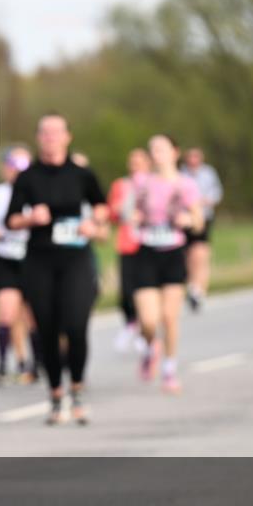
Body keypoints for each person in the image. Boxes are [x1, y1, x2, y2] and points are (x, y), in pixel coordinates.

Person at [6, 114, 109, 425]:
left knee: (76, 325)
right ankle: (54, 393)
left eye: (56, 133)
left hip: (75, 257)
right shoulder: (27, 178)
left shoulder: (82, 174)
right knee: (47, 329)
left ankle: (76, 388)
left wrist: (94, 223)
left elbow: (102, 206)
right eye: (45, 133)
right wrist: (29, 219)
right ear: (39, 138)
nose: (50, 138)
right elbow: (10, 220)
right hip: (39, 259)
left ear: (67, 137)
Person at [131, 135, 204, 394]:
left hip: (173, 253)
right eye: (153, 150)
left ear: (175, 152)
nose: (156, 154)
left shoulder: (186, 184)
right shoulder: (143, 183)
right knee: (149, 321)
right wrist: (135, 216)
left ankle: (169, 370)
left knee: (169, 318)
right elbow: (130, 213)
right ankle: (150, 349)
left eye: (161, 149)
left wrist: (188, 220)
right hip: (147, 253)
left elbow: (199, 221)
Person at [0, 146, 38, 385]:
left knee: (31, 316)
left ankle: (34, 363)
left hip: (31, 257)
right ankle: (4, 364)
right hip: (5, 257)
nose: (15, 172)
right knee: (7, 312)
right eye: (12, 167)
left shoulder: (36, 191)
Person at [108, 148, 151, 354]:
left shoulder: (154, 183)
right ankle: (131, 323)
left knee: (145, 291)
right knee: (126, 292)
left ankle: (146, 332)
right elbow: (112, 215)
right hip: (127, 243)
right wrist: (116, 211)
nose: (135, 165)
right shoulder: (121, 185)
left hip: (149, 245)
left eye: (139, 161)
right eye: (132, 161)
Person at [180, 148, 223, 312]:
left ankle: (199, 291)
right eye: (190, 156)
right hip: (185, 218)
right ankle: (192, 285)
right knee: (187, 256)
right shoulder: (181, 172)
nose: (193, 159)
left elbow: (217, 193)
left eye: (196, 156)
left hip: (203, 217)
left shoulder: (208, 173)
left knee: (201, 253)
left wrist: (206, 201)